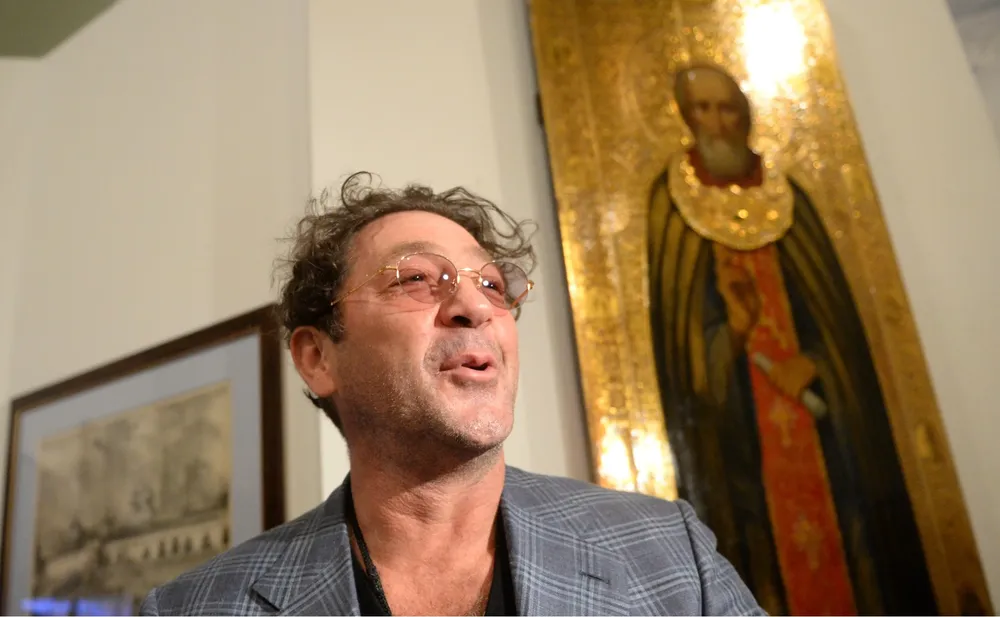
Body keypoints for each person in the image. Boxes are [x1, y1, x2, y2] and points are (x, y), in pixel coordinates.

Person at [139, 171, 765, 616]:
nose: (475, 306)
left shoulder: (670, 553)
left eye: (492, 285)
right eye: (415, 278)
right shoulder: (196, 607)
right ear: (317, 357)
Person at [646, 64, 935, 615]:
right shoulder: (670, 205)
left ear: (745, 114)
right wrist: (733, 333)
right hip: (739, 447)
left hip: (826, 434)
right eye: (702, 109)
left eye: (726, 107)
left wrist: (819, 363)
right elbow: (681, 356)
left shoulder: (789, 196)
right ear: (684, 117)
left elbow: (840, 326)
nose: (716, 123)